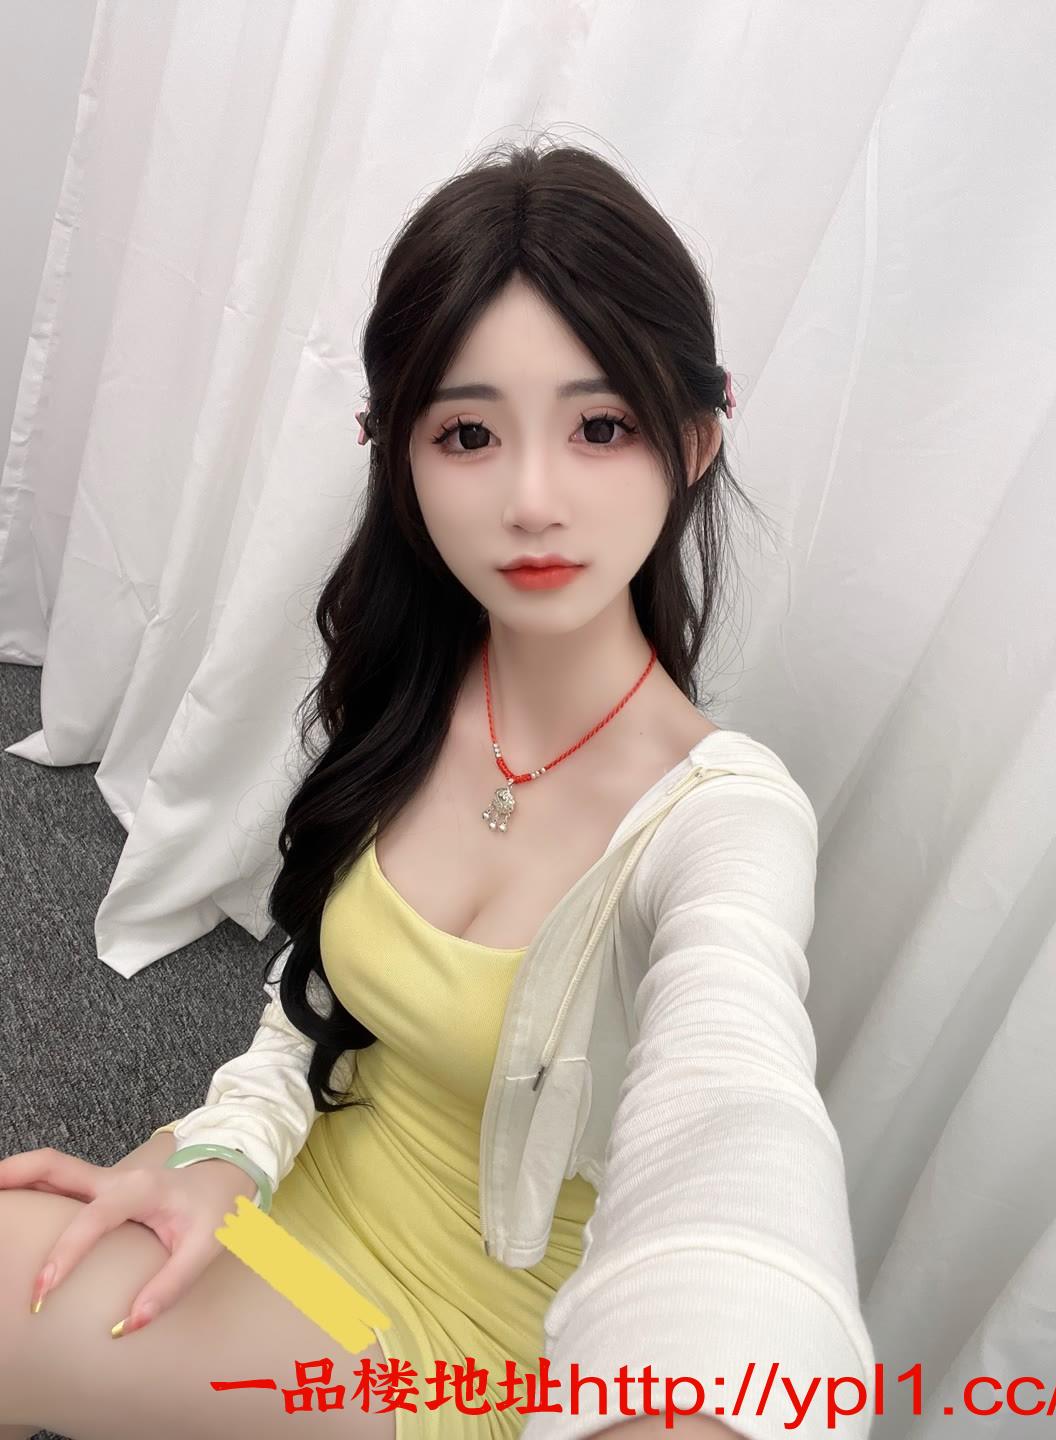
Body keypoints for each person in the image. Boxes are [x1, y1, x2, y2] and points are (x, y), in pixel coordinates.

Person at [0, 138, 874, 1439]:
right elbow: (316, 1009)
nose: (532, 499)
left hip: (476, 1354)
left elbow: (737, 1116)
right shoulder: (424, 688)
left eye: (600, 427)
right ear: (398, 453)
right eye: (469, 432)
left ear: (693, 440)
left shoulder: (728, 821)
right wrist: (222, 1150)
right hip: (295, 1206)